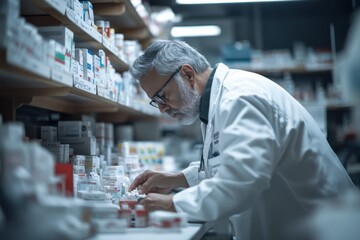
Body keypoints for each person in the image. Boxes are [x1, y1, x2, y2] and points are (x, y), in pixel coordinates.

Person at [128, 40, 356, 240]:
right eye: (155, 102)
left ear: (188, 75)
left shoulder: (239, 98)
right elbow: (229, 163)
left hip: (321, 229)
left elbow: (242, 180)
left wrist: (171, 204)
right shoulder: (214, 103)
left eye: (162, 97)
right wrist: (178, 179)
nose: (162, 109)